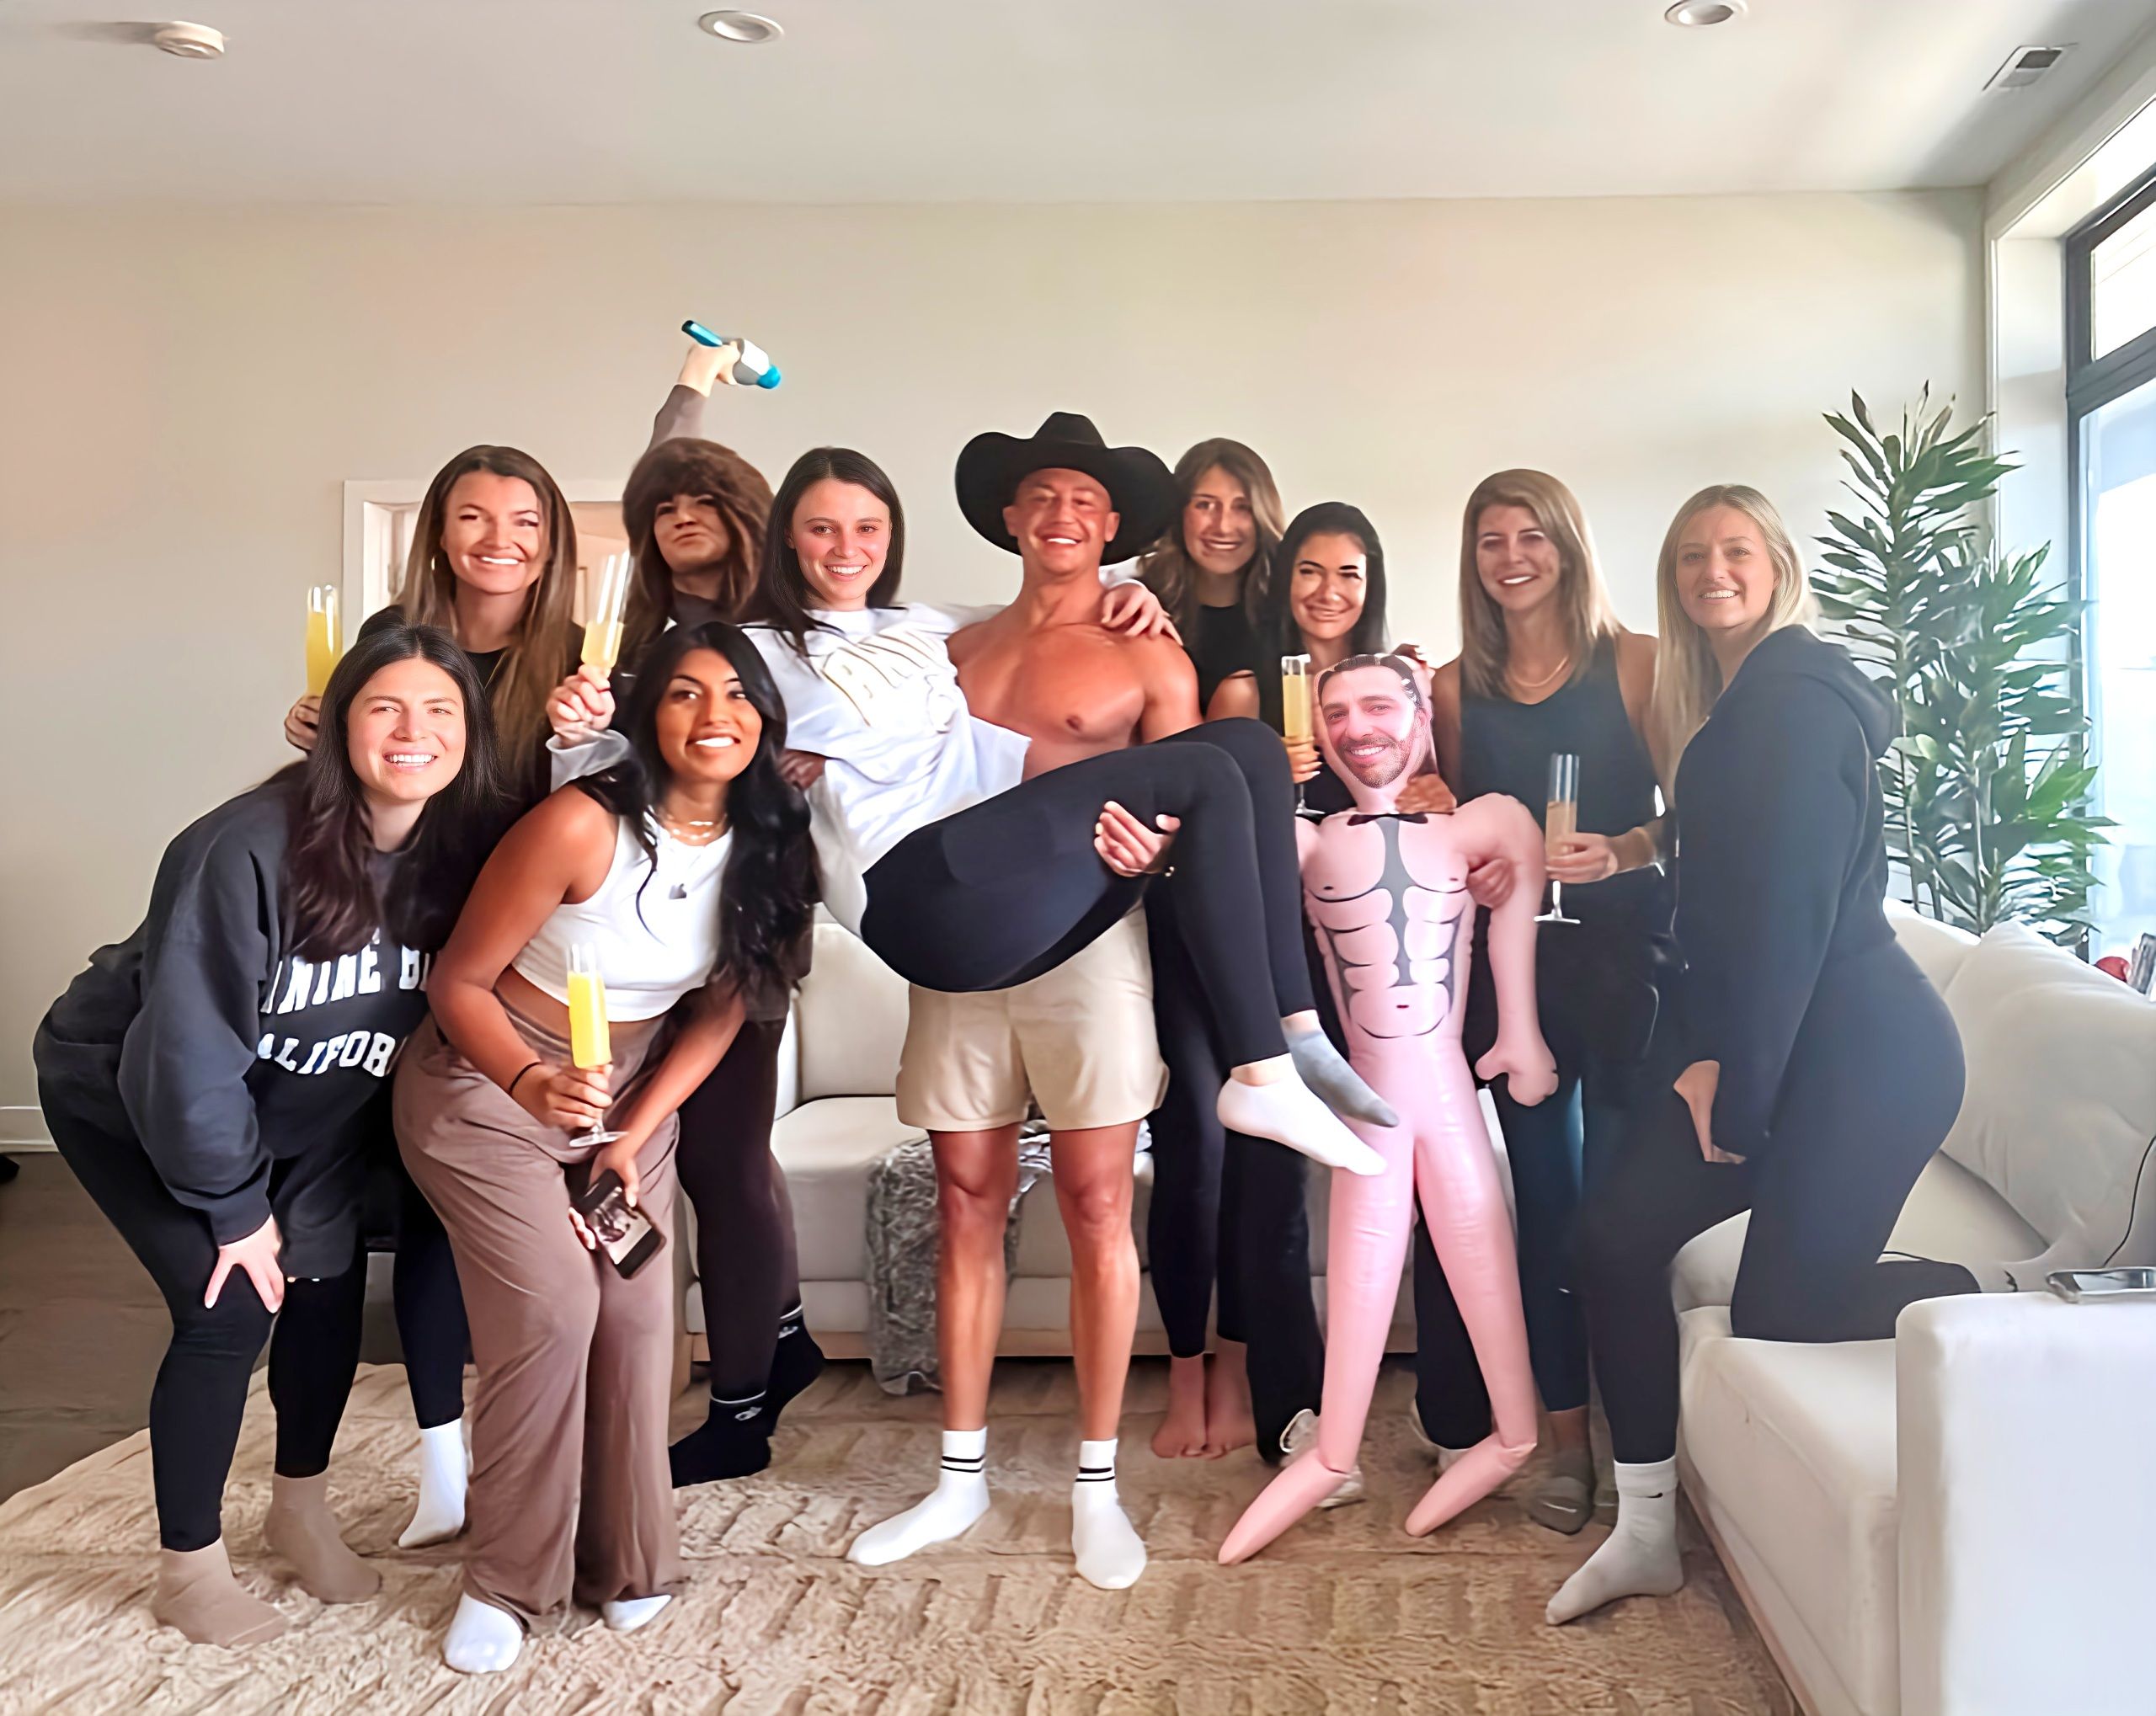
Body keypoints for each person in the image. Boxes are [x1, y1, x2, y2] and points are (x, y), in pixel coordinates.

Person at [1546, 486, 1973, 1625]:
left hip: (1867, 1058)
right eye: (1691, 555)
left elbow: (1786, 924)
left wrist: (1738, 1089)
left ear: (1778, 565)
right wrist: (1698, 1052)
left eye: (1734, 550)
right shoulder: (1733, 706)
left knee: (1783, 1303)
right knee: (1614, 1233)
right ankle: (1644, 1528)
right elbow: (1716, 899)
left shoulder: (1789, 704)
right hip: (1781, 1044)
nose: (1710, 571)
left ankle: (1998, 1293)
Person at [32, 625, 501, 1645]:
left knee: (328, 1285)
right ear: (336, 724)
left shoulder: (458, 856)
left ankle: (299, 1507)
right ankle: (188, 1568)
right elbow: (184, 1057)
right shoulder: (242, 846)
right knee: (233, 1305)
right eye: (385, 707)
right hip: (133, 1095)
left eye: (441, 712)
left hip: (305, 1105)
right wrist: (238, 1213)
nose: (413, 732)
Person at [398, 620, 814, 1672]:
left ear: (764, 717)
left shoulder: (774, 841)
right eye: (683, 692)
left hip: (629, 1088)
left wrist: (636, 1125)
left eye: (734, 694)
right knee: (554, 1304)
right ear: (647, 713)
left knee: (634, 1308)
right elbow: (457, 985)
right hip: (487, 1076)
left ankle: (623, 1560)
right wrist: (535, 1081)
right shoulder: (580, 823)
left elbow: (726, 1007)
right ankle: (507, 1577)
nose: (711, 716)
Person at [281, 444, 584, 1547]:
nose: (500, 541)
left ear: (551, 542)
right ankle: (442, 1467)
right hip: (398, 952)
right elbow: (347, 800)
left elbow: (602, 816)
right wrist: (316, 738)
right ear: (438, 533)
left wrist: (590, 734)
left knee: (492, 1227)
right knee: (410, 1214)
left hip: (517, 968)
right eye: (474, 517)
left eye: (525, 522)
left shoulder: (578, 661)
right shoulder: (389, 648)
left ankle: (523, 1459)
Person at [547, 334, 817, 1488]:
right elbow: (604, 773)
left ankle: (745, 1409)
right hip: (648, 921)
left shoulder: (792, 627)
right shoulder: (633, 644)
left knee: (721, 1157)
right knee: (703, 1157)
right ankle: (790, 1340)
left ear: (746, 516)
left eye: (706, 502)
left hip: (748, 911)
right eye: (661, 513)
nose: (679, 519)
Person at [1219, 653, 1556, 1563]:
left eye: (1379, 704)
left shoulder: (1482, 826)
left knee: (1482, 1257)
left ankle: (1511, 1437)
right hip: (1362, 1093)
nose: (1359, 726)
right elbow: (1225, 901)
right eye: (1337, 711)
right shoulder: (1299, 839)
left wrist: (1518, 1036)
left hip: (1445, 1083)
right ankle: (1331, 1451)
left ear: (1421, 717)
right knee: (1360, 1274)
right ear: (1316, 731)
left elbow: (1516, 917)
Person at [1412, 470, 1667, 1534]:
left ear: (1567, 545)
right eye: (1488, 540)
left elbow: (1694, 815)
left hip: (1628, 964)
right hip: (1517, 981)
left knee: (1618, 1218)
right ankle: (1564, 1442)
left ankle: (1643, 1443)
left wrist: (1624, 848)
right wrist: (1447, 827)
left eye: (1531, 537)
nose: (1510, 556)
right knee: (1549, 1213)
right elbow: (1454, 824)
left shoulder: (1642, 664)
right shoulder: (1452, 688)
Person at [1148, 500, 1399, 1467]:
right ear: (1281, 577)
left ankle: (1286, 1401)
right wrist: (1269, 776)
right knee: (1202, 1153)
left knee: (1274, 1176)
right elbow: (1195, 821)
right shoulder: (1248, 686)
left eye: (1349, 574)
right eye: (1310, 571)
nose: (1327, 592)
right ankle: (1194, 1373)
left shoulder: (1386, 691)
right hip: (1216, 951)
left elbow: (1417, 807)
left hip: (1328, 951)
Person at [1138, 438, 1286, 709]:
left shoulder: (1291, 606)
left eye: (1242, 508)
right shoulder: (1140, 603)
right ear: (1178, 513)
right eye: (1205, 505)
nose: (1223, 526)